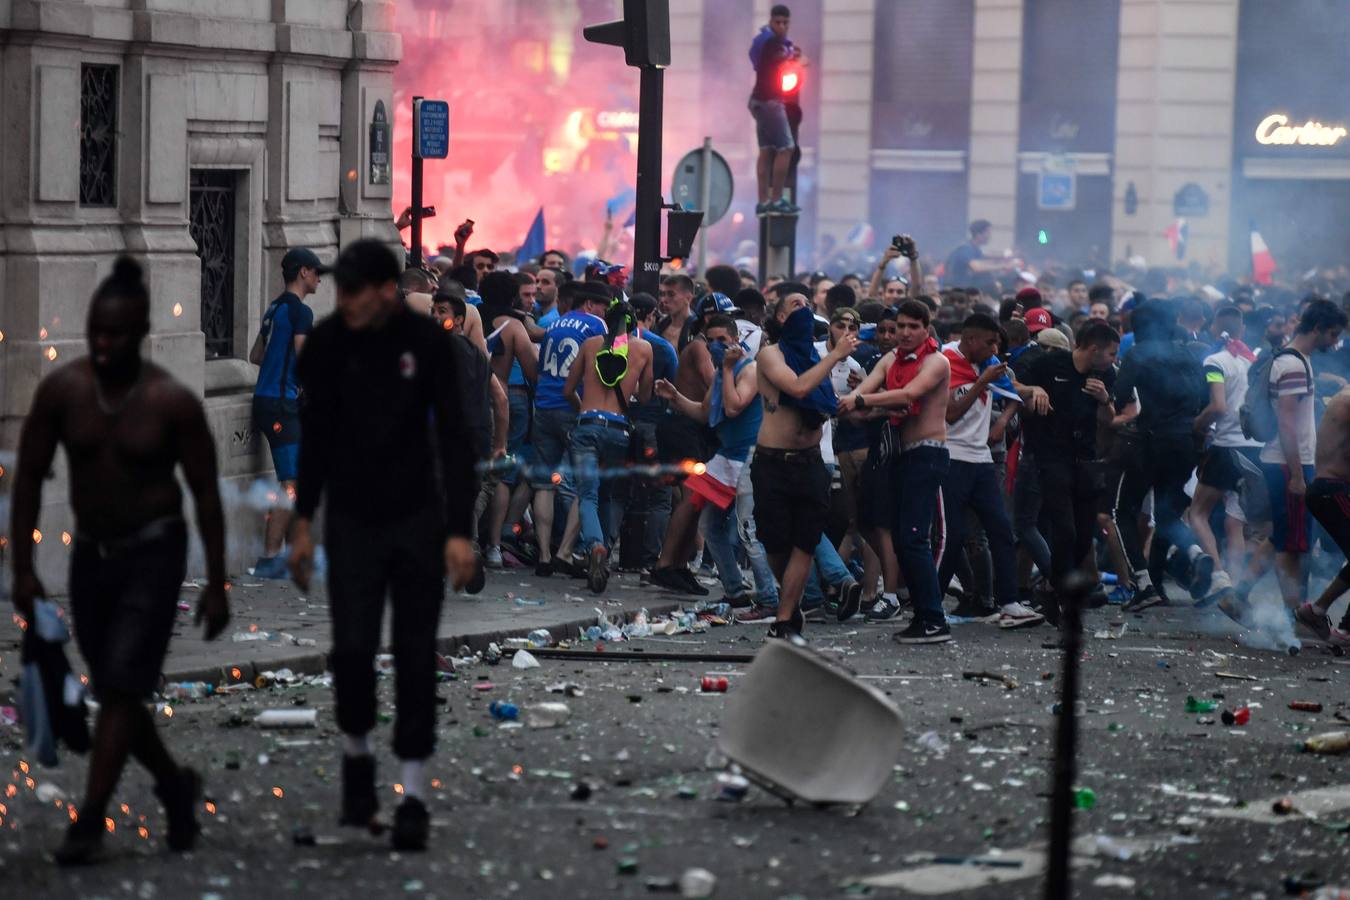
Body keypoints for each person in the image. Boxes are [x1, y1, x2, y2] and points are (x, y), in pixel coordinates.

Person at [10, 257, 229, 864]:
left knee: (125, 681)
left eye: (116, 335)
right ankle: (174, 786)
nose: (104, 345)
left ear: (139, 333)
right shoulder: (64, 392)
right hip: (92, 556)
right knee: (116, 688)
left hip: (154, 554)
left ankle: (89, 821)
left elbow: (206, 494)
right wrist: (23, 569)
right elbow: (27, 480)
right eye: (96, 333)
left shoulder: (169, 402)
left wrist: (216, 583)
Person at [288, 239, 478, 852]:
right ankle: (357, 766)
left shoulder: (427, 344)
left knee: (416, 654)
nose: (344, 302)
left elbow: (456, 439)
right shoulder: (327, 344)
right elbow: (315, 438)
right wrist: (302, 520)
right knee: (352, 648)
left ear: (385, 292)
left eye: (354, 291)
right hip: (351, 520)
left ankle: (414, 794)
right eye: (339, 291)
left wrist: (459, 532)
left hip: (419, 517)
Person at [839, 300, 953, 643]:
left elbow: (908, 394)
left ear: (926, 329)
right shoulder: (890, 360)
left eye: (912, 327)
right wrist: (857, 404)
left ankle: (934, 618)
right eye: (900, 326)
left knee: (914, 538)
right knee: (902, 539)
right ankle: (922, 616)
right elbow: (863, 394)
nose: (904, 333)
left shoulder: (936, 361)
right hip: (900, 455)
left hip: (928, 454)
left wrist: (862, 402)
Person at [752, 291, 858, 638]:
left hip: (810, 463)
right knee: (775, 545)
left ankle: (785, 619)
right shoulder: (771, 354)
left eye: (808, 305)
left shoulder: (815, 357)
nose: (804, 309)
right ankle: (791, 602)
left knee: (805, 542)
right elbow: (798, 388)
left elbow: (828, 402)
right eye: (795, 305)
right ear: (781, 318)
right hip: (773, 463)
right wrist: (835, 355)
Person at [934, 313, 1045, 629]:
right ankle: (930, 605)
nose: (996, 349)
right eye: (991, 342)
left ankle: (1009, 603)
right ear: (970, 340)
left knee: (1001, 529)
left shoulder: (990, 362)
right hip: (951, 457)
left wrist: (1002, 420)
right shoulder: (945, 362)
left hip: (982, 459)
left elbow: (1013, 394)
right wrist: (981, 382)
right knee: (952, 536)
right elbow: (951, 414)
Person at [655, 315, 768, 608]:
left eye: (723, 340)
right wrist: (676, 397)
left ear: (736, 341)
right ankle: (734, 591)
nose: (717, 346)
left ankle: (769, 597)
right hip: (727, 458)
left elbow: (733, 407)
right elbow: (705, 413)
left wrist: (728, 369)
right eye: (712, 341)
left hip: (747, 458)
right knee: (709, 524)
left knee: (748, 530)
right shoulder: (721, 374)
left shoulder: (749, 369)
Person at [1016, 320, 1121, 625]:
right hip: (1051, 457)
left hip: (1085, 460)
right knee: (1064, 529)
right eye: (1111, 353)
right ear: (1094, 349)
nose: (1113, 360)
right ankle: (1062, 598)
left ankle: (1051, 589)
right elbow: (1014, 386)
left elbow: (1109, 420)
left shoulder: (1105, 375)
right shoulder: (1050, 364)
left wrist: (1104, 399)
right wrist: (1034, 389)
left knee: (1083, 537)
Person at [1112, 301, 1209, 612]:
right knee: (1167, 514)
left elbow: (1120, 395)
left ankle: (1143, 585)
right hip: (1187, 444)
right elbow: (1205, 398)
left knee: (1122, 510)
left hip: (1152, 442)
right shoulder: (1188, 354)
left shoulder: (1138, 354)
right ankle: (1195, 553)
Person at [1258, 299, 1346, 613]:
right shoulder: (1293, 364)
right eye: (1333, 334)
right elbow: (1287, 422)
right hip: (1287, 463)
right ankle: (1293, 616)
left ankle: (1239, 595)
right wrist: (1297, 474)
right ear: (1318, 328)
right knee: (1292, 544)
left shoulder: (1300, 360)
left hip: (1292, 461)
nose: (1334, 342)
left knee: (1286, 537)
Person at [562, 300, 654, 592]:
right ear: (632, 324)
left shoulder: (590, 345)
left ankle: (595, 546)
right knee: (607, 495)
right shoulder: (644, 349)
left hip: (587, 426)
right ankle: (604, 547)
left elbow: (568, 390)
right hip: (617, 431)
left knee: (587, 494)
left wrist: (584, 409)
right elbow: (646, 396)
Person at [248, 247, 321, 578]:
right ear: (303, 272)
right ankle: (270, 558)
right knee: (291, 484)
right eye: (317, 272)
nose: (320, 278)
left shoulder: (274, 308)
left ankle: (291, 554)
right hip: (282, 405)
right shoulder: (301, 312)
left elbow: (255, 355)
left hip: (267, 400)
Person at [531, 280, 610, 576]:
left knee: (544, 484)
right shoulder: (596, 325)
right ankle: (564, 553)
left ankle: (543, 555)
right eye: (603, 306)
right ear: (589, 304)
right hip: (573, 406)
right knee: (585, 486)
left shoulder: (555, 323)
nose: (605, 312)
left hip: (544, 406)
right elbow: (607, 366)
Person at [1190, 305, 1264, 589]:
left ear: (1213, 329)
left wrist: (1198, 423)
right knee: (1235, 523)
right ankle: (1235, 585)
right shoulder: (1253, 361)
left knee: (1198, 513)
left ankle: (1219, 575)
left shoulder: (1214, 362)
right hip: (1254, 449)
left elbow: (1218, 406)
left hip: (1226, 449)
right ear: (1241, 329)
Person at [1299, 385, 1350, 647]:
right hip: (1332, 490)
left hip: (1333, 490)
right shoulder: (1347, 400)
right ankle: (1317, 611)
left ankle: (1336, 622)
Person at [748, 4, 800, 214]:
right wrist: (797, 59)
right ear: (771, 22)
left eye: (785, 23)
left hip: (757, 102)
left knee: (766, 149)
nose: (782, 27)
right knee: (786, 148)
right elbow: (782, 57)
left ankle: (763, 202)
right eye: (778, 22)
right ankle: (776, 200)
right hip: (770, 102)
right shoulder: (772, 43)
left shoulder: (763, 40)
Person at [944, 220, 1015, 291]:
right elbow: (977, 267)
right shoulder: (965, 248)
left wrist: (1004, 258)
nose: (990, 236)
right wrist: (1003, 266)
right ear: (978, 234)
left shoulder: (976, 249)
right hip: (958, 290)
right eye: (988, 233)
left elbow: (987, 258)